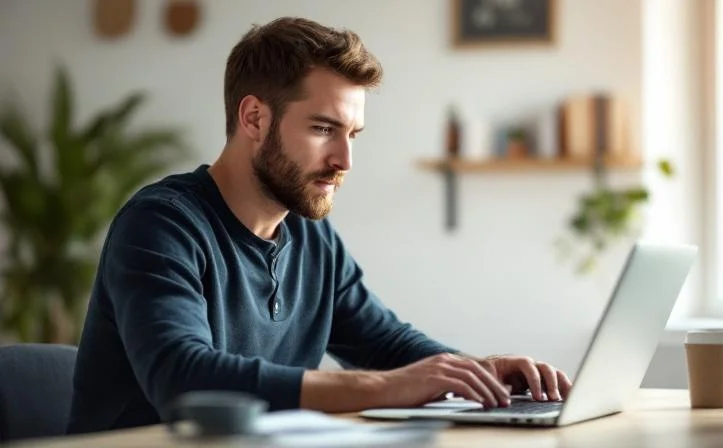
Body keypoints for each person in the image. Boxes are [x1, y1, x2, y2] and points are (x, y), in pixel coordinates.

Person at [67, 16, 572, 434]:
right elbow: (183, 378)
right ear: (254, 118)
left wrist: (478, 371)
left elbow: (385, 345)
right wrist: (386, 388)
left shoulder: (311, 235)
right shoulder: (161, 224)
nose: (344, 160)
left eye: (352, 134)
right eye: (324, 129)